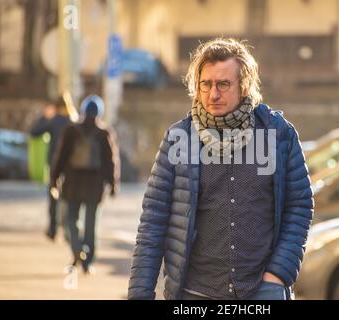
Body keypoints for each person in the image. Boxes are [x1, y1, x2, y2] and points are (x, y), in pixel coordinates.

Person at [128, 38, 314, 300]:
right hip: (194, 292)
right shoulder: (179, 138)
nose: (213, 94)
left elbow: (300, 205)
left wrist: (279, 273)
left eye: (223, 84)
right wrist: (139, 293)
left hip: (261, 289)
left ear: (244, 86)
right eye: (206, 84)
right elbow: (153, 221)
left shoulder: (277, 134)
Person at [51, 95, 120, 274]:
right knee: (91, 225)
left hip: (72, 184)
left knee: (70, 221)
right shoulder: (104, 133)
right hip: (94, 187)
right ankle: (88, 262)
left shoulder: (71, 131)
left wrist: (54, 179)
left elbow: (60, 157)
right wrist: (113, 185)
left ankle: (76, 249)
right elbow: (110, 161)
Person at [30, 96, 72, 240]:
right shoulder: (74, 120)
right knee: (68, 198)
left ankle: (53, 229)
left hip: (55, 164)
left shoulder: (55, 120)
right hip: (70, 167)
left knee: (53, 196)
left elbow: (34, 131)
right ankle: (68, 228)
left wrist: (44, 116)